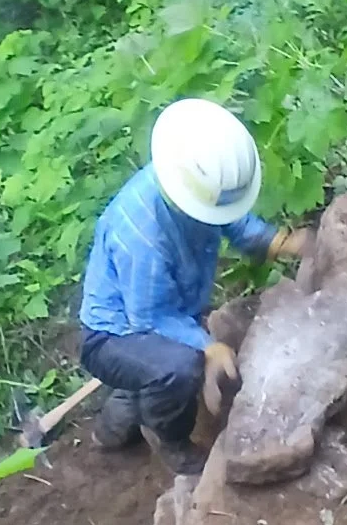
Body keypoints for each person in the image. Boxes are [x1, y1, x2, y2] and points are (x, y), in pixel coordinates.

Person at [79, 99, 308, 473]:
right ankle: (171, 442)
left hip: (163, 311)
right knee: (180, 368)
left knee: (146, 382)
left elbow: (229, 217)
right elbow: (149, 318)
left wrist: (274, 241)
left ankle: (111, 431)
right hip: (114, 335)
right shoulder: (141, 235)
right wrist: (208, 346)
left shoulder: (195, 184)